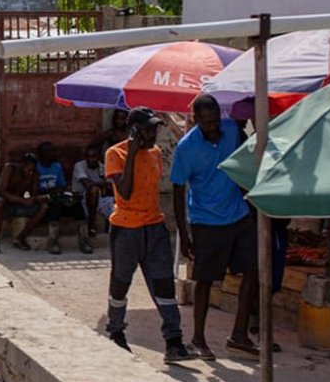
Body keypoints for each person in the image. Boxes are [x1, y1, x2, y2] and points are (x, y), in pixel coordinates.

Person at [171, 95, 263, 359]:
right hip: (206, 220)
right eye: (207, 122)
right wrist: (184, 233)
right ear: (196, 120)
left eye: (215, 121)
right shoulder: (186, 148)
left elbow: (245, 156)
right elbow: (178, 190)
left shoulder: (231, 130)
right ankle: (198, 338)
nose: (213, 127)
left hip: (238, 213)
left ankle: (239, 334)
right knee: (205, 280)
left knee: (253, 270)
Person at [104, 107, 193, 363]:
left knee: (164, 283)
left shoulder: (155, 153)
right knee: (121, 282)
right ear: (133, 131)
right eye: (146, 129)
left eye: (154, 129)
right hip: (126, 228)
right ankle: (116, 331)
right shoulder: (115, 154)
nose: (152, 134)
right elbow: (126, 192)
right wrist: (131, 155)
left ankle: (174, 340)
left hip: (154, 226)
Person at [36, 142, 93, 254]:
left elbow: (62, 185)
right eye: (51, 152)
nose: (54, 154)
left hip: (56, 196)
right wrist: (48, 191)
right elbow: (32, 190)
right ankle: (53, 241)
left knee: (76, 204)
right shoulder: (36, 167)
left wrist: (68, 193)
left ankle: (84, 239)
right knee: (54, 204)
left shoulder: (57, 166)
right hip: (42, 198)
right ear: (44, 154)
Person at [0, 153, 48, 254]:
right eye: (28, 170)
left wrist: (38, 198)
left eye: (32, 170)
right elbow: (2, 192)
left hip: (19, 204)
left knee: (43, 207)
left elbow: (33, 194)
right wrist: (22, 200)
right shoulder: (10, 169)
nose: (30, 173)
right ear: (22, 166)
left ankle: (20, 238)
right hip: (7, 202)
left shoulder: (34, 175)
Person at [72, 144, 113, 237]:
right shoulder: (79, 166)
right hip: (82, 198)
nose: (90, 160)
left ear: (98, 157)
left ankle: (111, 232)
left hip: (100, 198)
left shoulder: (103, 167)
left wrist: (106, 185)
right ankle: (91, 224)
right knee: (93, 190)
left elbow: (111, 185)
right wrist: (103, 184)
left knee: (114, 203)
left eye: (93, 157)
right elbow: (87, 185)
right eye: (88, 157)